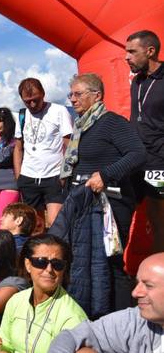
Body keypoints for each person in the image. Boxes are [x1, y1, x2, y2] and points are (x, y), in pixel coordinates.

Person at [55, 73, 146, 314]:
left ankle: (122, 321)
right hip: (83, 203)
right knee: (83, 262)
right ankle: (92, 316)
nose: (72, 99)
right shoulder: (81, 125)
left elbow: (137, 154)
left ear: (97, 96)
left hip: (111, 205)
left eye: (78, 94)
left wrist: (106, 175)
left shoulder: (112, 122)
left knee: (112, 263)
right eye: (70, 94)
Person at [0, 234, 87, 353]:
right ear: (28, 265)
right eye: (41, 262)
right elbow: (6, 345)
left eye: (57, 264)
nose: (49, 269)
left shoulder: (73, 318)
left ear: (64, 269)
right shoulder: (16, 301)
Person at [49, 252, 164, 353]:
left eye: (148, 285)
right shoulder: (137, 320)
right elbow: (72, 336)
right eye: (137, 283)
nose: (135, 293)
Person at [13, 78, 73, 228]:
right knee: (35, 225)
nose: (32, 105)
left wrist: (64, 175)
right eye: (27, 101)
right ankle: (40, 252)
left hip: (54, 176)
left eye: (36, 100)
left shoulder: (59, 111)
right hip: (29, 177)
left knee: (55, 223)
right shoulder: (22, 115)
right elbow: (18, 147)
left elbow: (69, 145)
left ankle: (59, 251)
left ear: (43, 94)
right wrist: (19, 175)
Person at [126, 30, 164, 253]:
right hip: (135, 162)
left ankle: (159, 279)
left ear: (150, 51)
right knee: (118, 208)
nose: (126, 57)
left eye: (132, 52)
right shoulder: (137, 81)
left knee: (158, 219)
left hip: (159, 164)